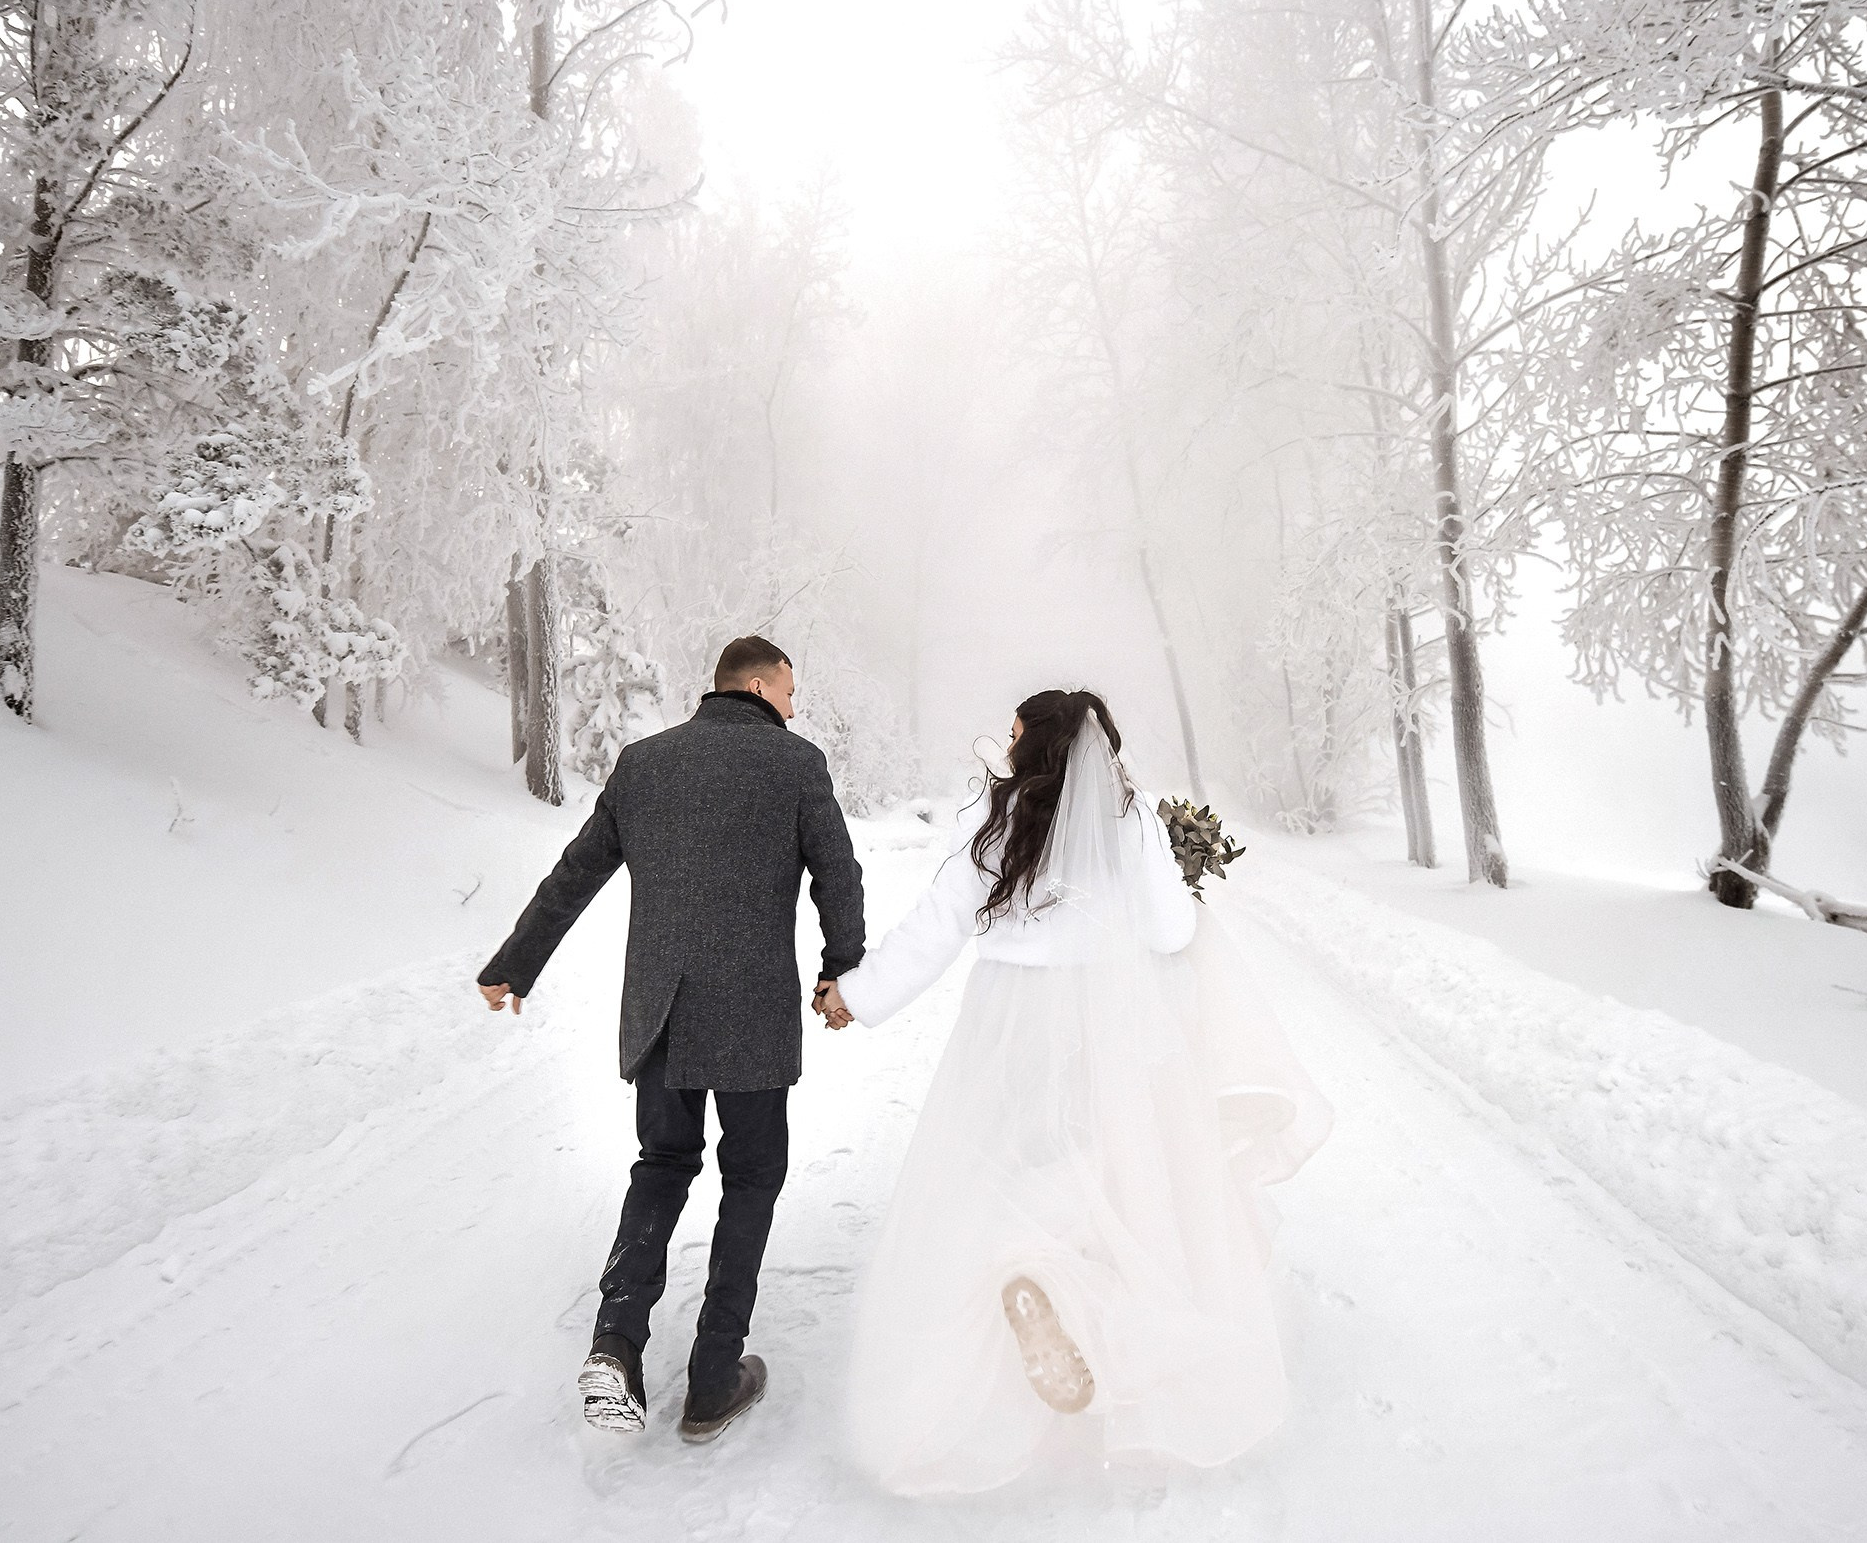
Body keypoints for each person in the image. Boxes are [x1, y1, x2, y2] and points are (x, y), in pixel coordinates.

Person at [818, 688, 1329, 1494]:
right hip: (1110, 1025)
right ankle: (1075, 1296)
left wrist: (858, 993)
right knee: (1115, 1186)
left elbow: (937, 925)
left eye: (1015, 731)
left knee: (1001, 1175)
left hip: (1008, 1025)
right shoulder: (1128, 820)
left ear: (1036, 743)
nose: (1007, 741)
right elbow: (1169, 931)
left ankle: (1029, 1276)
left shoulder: (993, 818)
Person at [477, 635, 866, 1444]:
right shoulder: (796, 765)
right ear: (758, 686)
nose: (795, 708)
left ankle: (615, 1346)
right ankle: (715, 1376)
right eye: (791, 691)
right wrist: (842, 972)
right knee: (752, 1176)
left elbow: (575, 872)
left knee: (662, 1166)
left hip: (660, 1014)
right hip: (754, 1018)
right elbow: (839, 873)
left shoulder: (642, 763)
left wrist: (515, 962)